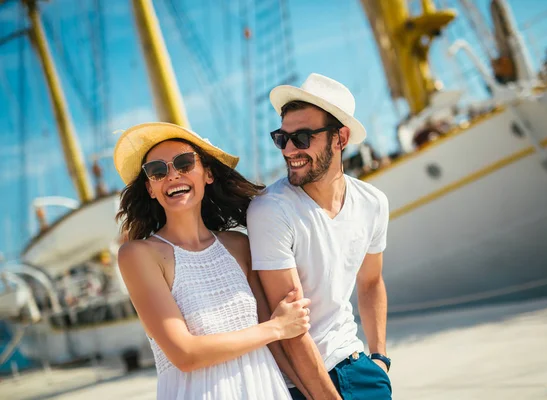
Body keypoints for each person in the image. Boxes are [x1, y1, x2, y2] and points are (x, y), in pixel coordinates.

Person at [113, 122, 311, 400]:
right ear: (150, 188)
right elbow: (185, 354)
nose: (172, 175)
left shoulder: (238, 245)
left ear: (207, 173)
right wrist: (276, 328)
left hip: (266, 388)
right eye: (157, 171)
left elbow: (277, 347)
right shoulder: (139, 255)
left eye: (183, 163)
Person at [247, 73, 392, 399]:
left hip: (359, 368)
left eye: (301, 137)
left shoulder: (372, 203)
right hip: (300, 385)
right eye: (281, 138)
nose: (289, 150)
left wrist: (379, 357)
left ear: (340, 138)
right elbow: (292, 329)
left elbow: (371, 282)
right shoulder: (271, 210)